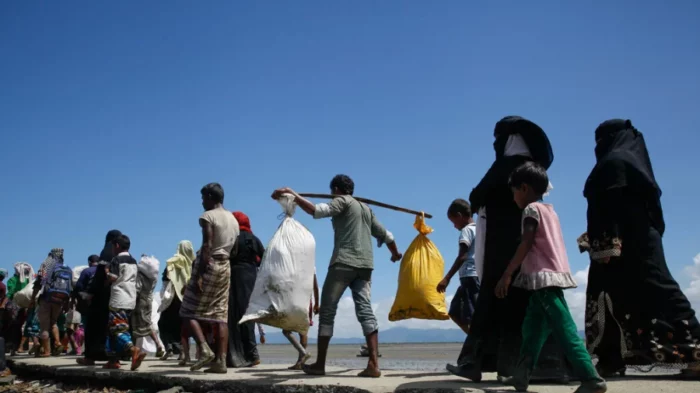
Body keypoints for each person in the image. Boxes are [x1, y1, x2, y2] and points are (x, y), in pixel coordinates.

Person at [447, 116, 570, 383]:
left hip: (502, 254)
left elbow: (476, 197)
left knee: (493, 304)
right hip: (535, 261)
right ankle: (542, 366)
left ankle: (475, 362)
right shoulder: (536, 172)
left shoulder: (504, 168)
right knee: (534, 310)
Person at [578, 119, 700, 378]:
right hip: (638, 243)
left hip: (622, 247)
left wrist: (605, 245)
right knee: (620, 300)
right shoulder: (634, 164)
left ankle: (696, 355)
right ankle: (612, 359)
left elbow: (608, 208)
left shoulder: (613, 163)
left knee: (648, 294)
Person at [272, 174, 403, 378]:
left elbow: (316, 211)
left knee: (327, 312)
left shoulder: (341, 201)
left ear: (335, 189)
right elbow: (387, 236)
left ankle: (320, 364)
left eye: (332, 191)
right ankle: (373, 364)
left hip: (343, 263)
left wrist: (293, 195)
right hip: (366, 266)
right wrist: (394, 253)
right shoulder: (366, 210)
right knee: (366, 311)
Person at [492, 162, 607, 393]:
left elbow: (526, 243)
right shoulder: (551, 211)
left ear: (523, 188)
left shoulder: (530, 210)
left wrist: (507, 274)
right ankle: (521, 376)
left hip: (543, 278)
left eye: (514, 191)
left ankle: (591, 378)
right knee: (532, 330)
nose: (513, 197)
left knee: (565, 328)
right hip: (552, 276)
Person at [180, 183, 239, 373]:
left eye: (204, 198)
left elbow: (207, 244)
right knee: (220, 315)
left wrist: (198, 275)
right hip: (226, 265)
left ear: (211, 197)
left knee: (187, 310)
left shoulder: (208, 216)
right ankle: (220, 361)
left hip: (210, 263)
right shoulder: (233, 219)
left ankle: (204, 350)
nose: (202, 202)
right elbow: (235, 249)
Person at [226, 211, 264, 368]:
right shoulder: (254, 239)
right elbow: (264, 258)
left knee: (233, 316)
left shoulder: (232, 238)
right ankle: (251, 354)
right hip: (251, 278)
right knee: (247, 315)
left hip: (234, 276)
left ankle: (242, 355)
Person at [437, 199, 480, 335]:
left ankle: (478, 342)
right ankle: (474, 339)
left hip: (470, 276)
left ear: (460, 216)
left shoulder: (467, 231)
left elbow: (462, 256)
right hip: (472, 277)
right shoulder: (480, 230)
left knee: (474, 316)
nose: (454, 226)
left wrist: (447, 278)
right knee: (455, 313)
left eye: (454, 222)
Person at [78, 231, 121, 366]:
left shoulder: (107, 251)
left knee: (93, 326)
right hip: (117, 295)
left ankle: (90, 357)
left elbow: (100, 274)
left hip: (102, 296)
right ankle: (114, 358)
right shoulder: (121, 253)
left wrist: (91, 292)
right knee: (113, 326)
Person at [104, 234, 145, 370]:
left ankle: (133, 349)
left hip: (118, 298)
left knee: (118, 330)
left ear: (116, 246)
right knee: (112, 330)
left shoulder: (116, 260)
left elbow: (113, 277)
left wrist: (106, 271)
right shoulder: (133, 261)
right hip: (130, 298)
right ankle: (113, 360)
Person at [30, 248, 70, 357]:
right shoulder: (66, 268)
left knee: (44, 326)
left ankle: (47, 351)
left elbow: (38, 283)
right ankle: (57, 342)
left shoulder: (47, 266)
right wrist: (66, 303)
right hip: (59, 300)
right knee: (53, 323)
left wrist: (32, 298)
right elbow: (69, 288)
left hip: (47, 298)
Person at [158, 240, 194, 361]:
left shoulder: (173, 261)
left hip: (173, 299)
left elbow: (165, 278)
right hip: (188, 299)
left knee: (163, 324)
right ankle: (182, 351)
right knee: (182, 325)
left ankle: (169, 347)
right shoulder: (193, 262)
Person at [282, 271, 320, 370]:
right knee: (301, 332)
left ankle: (301, 359)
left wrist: (316, 303)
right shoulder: (310, 264)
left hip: (297, 300)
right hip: (304, 301)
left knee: (288, 331)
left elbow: (315, 286)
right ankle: (301, 360)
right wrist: (316, 303)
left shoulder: (298, 264)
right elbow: (315, 286)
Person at [132, 255, 164, 357]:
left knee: (136, 326)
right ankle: (157, 344)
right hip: (149, 300)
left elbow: (137, 289)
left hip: (140, 301)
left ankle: (135, 351)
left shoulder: (140, 275)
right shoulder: (153, 277)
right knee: (148, 323)